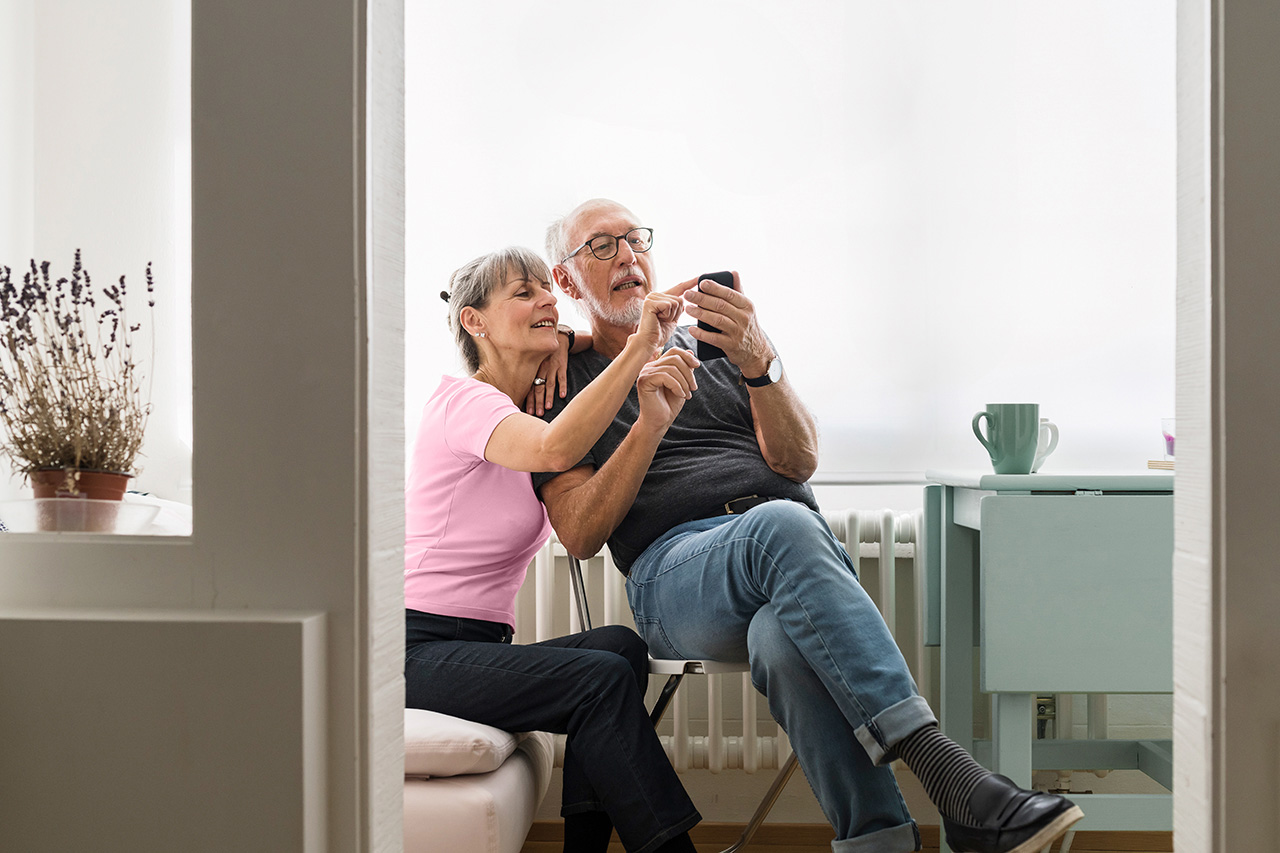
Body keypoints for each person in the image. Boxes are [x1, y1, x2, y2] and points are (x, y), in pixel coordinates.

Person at [533, 200, 1084, 853]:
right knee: (783, 524)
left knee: (782, 638)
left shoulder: (714, 346)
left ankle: (885, 844)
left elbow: (798, 459)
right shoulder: (558, 383)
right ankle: (954, 778)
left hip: (781, 553)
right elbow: (579, 532)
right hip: (678, 577)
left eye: (636, 239)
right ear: (565, 282)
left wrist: (759, 359)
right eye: (602, 246)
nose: (629, 256)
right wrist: (647, 411)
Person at [404, 246, 704, 853]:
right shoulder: (464, 403)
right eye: (523, 292)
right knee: (597, 680)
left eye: (548, 287)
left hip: (473, 644)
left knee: (619, 648)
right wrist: (640, 346)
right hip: (411, 646)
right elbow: (555, 452)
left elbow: (567, 466)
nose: (546, 297)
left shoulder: (528, 414)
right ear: (474, 322)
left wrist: (581, 344)